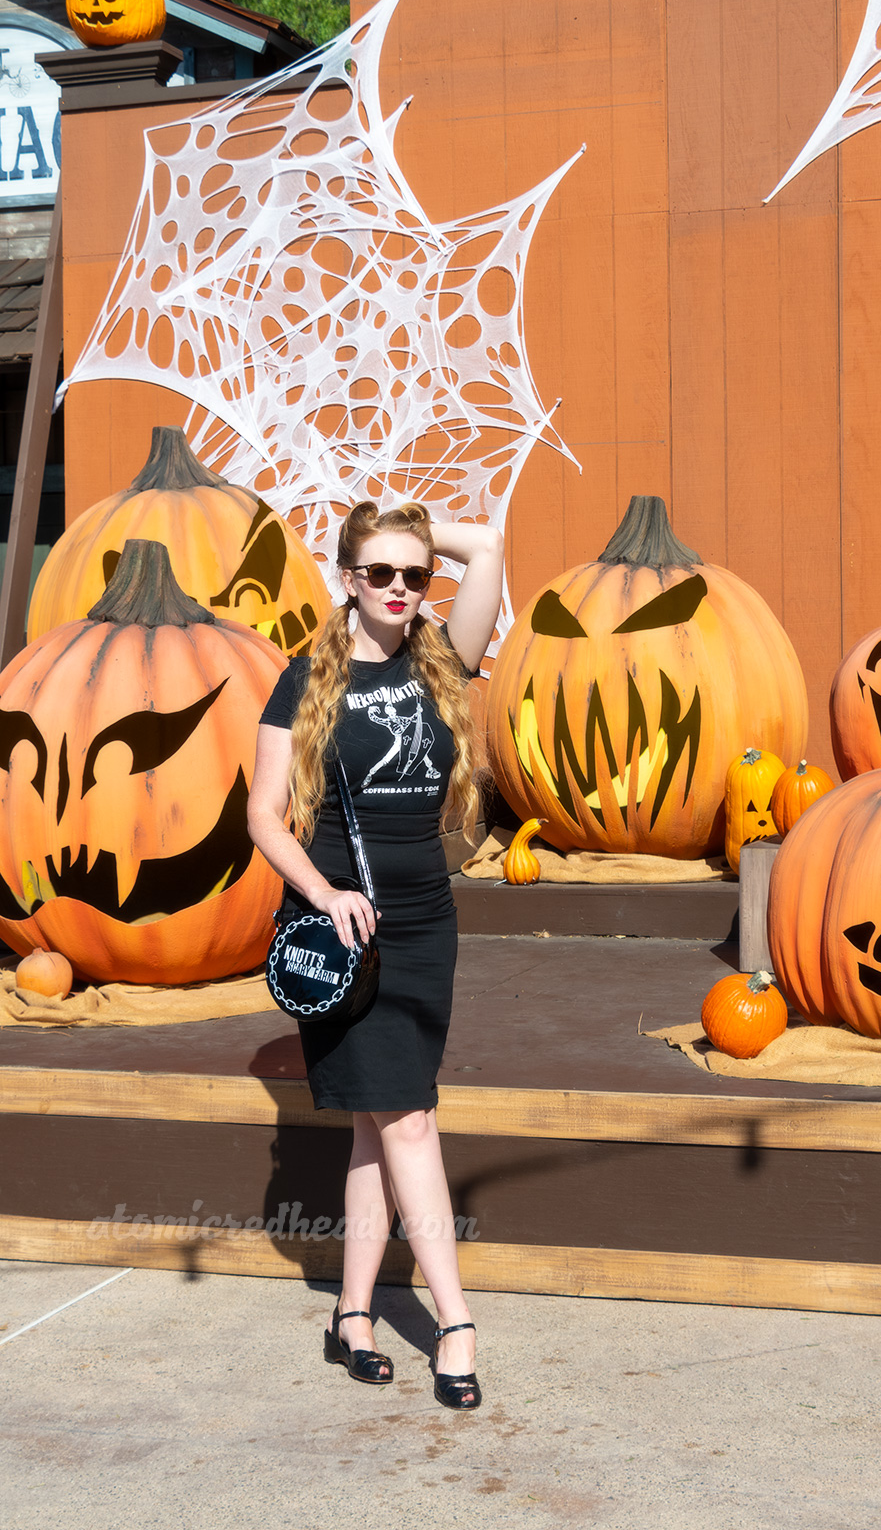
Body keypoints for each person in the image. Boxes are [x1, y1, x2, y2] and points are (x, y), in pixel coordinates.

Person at [247, 501, 503, 1410]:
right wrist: (324, 895)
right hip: (342, 927)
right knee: (411, 1123)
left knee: (374, 1125)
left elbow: (490, 547)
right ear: (347, 579)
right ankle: (455, 1322)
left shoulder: (441, 655)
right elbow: (264, 819)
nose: (401, 590)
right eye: (380, 574)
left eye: (414, 575)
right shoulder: (304, 679)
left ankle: (351, 1315)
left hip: (426, 920)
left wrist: (421, 538)